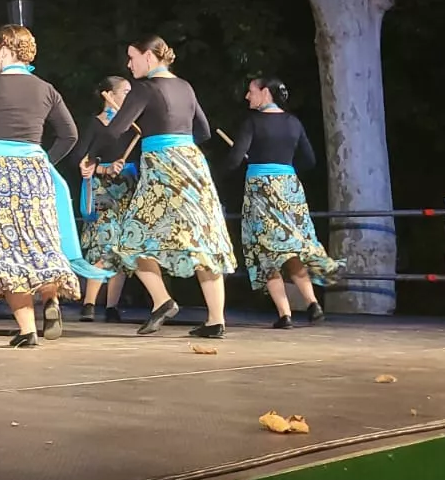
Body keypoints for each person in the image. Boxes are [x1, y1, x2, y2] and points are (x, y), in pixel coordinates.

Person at [0, 26, 110, 346]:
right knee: (39, 242)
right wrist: (44, 161)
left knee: (5, 248)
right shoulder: (45, 89)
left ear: (5, 48)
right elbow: (70, 135)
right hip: (35, 173)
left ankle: (27, 329)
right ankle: (50, 301)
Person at [100, 35, 237, 338]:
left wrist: (139, 122)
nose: (129, 63)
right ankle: (216, 319)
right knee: (204, 238)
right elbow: (202, 130)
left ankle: (162, 300)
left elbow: (116, 130)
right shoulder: (185, 87)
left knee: (131, 240)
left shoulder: (144, 88)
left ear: (149, 57)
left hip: (162, 168)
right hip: (192, 165)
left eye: (132, 57)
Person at [224, 76, 343, 327]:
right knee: (291, 246)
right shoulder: (293, 122)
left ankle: (284, 314)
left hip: (261, 191)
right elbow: (309, 160)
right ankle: (312, 302)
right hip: (290, 188)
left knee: (266, 251)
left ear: (265, 93)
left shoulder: (253, 122)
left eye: (251, 91)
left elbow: (235, 159)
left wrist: (228, 169)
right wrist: (283, 169)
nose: (248, 96)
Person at [71, 76, 138, 323]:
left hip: (127, 188)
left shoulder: (133, 126)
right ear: (108, 94)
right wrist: (100, 169)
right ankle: (89, 302)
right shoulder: (95, 124)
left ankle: (112, 305)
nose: (129, 98)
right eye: (124, 92)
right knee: (103, 243)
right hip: (103, 189)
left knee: (122, 247)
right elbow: (80, 156)